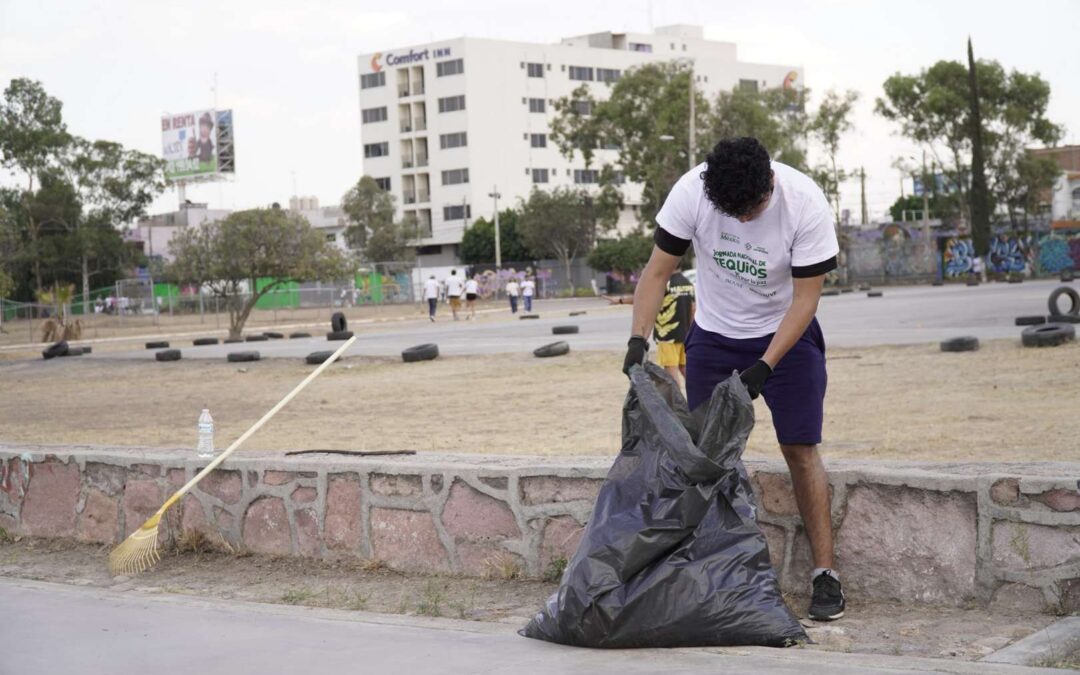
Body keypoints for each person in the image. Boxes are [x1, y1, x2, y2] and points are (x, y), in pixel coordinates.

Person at [623, 136, 845, 622]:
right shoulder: (691, 193)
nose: (742, 220)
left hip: (788, 334)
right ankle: (716, 573)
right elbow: (657, 273)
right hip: (714, 337)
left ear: (770, 183)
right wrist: (638, 341)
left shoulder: (804, 203)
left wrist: (765, 366)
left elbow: (806, 300)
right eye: (732, 213)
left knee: (800, 449)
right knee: (709, 458)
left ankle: (825, 575)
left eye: (751, 211)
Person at [653, 266, 696, 387]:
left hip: (667, 335)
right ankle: (699, 394)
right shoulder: (687, 283)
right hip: (685, 334)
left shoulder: (665, 283)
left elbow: (647, 299)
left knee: (671, 372)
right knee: (684, 367)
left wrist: (621, 301)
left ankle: (676, 399)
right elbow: (693, 308)